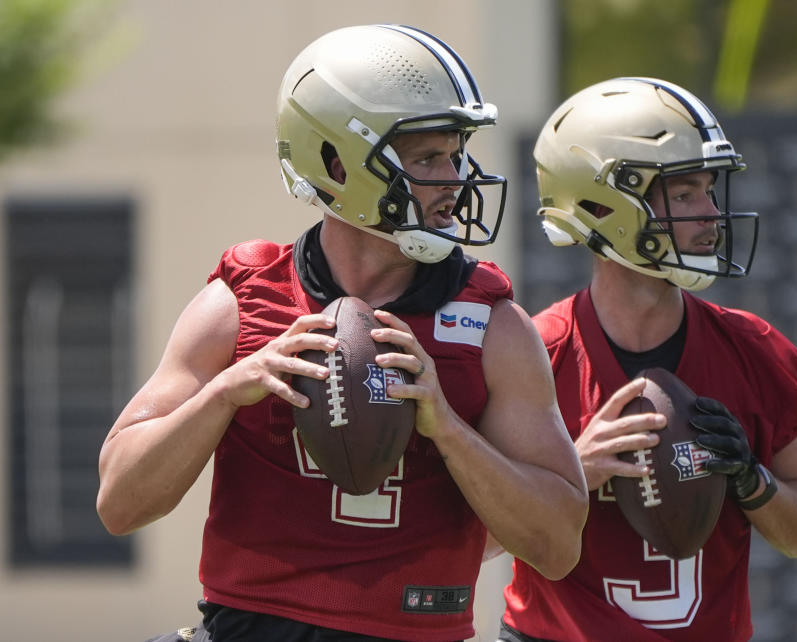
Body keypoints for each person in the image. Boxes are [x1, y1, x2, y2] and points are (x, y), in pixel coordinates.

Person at [96, 24, 588, 642]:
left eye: (456, 153)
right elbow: (119, 503)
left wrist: (449, 429)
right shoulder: (240, 303)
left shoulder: (493, 327)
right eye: (427, 157)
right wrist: (226, 390)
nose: (455, 179)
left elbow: (559, 544)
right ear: (337, 162)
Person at [492, 78, 797, 642]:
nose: (711, 213)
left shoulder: (749, 349)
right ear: (603, 206)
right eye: (684, 195)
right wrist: (568, 476)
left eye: (709, 191)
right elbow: (463, 541)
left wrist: (752, 482)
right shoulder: (533, 351)